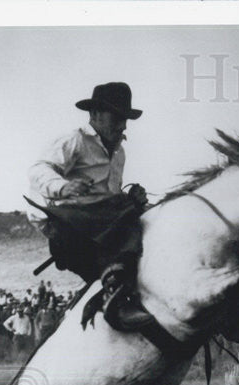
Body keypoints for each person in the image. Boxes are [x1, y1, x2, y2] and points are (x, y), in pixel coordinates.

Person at [28, 82, 151, 330]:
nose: (123, 125)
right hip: (69, 228)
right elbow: (38, 170)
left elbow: (111, 196)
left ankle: (116, 288)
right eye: (117, 117)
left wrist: (133, 199)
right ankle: (114, 286)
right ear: (95, 115)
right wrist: (63, 187)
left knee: (136, 212)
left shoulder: (119, 153)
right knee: (124, 210)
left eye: (125, 119)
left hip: (98, 228)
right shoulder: (74, 141)